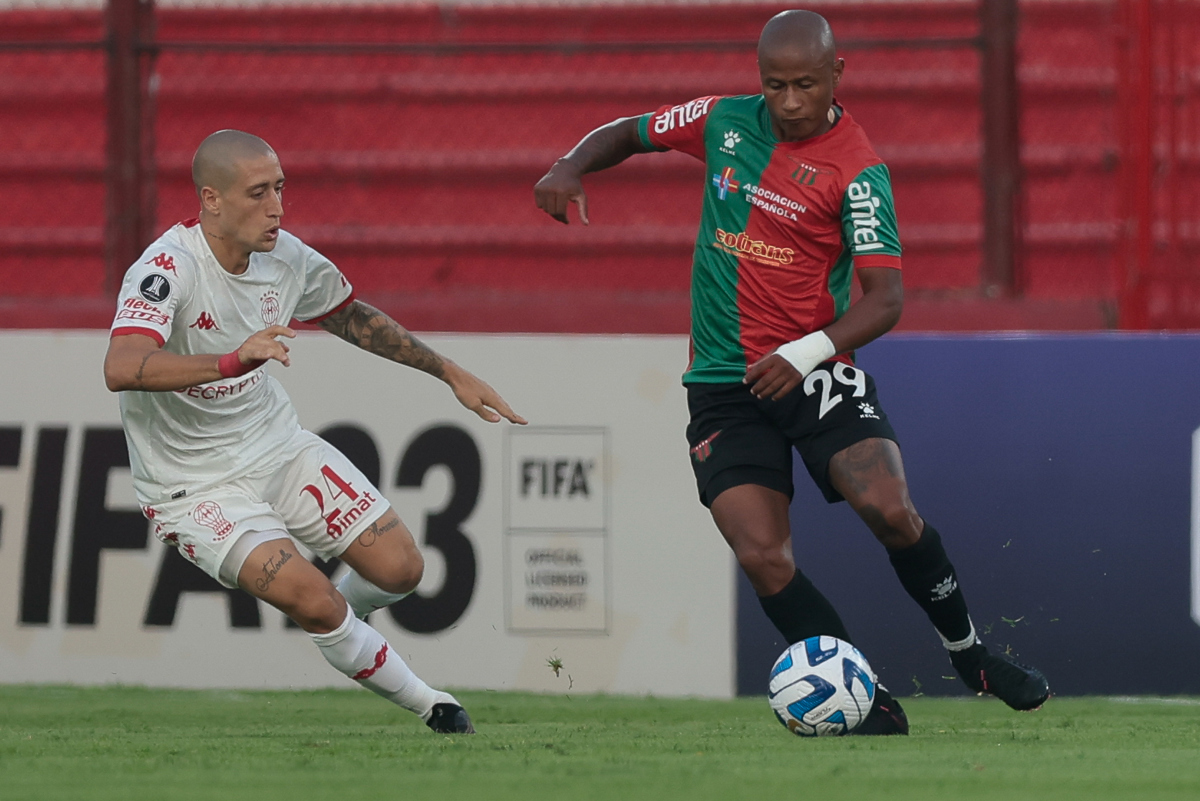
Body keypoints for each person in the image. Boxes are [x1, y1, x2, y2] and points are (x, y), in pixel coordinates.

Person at [534, 9, 1048, 733]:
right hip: (721, 382)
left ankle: (973, 658)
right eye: (776, 85)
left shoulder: (858, 168)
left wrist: (805, 351)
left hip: (812, 367)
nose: (791, 101)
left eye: (806, 84)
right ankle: (863, 699)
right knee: (761, 553)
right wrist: (569, 164)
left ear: (838, 75)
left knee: (889, 508)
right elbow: (630, 129)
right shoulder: (722, 121)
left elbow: (888, 300)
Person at [104, 129, 527, 734]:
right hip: (191, 487)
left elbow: (351, 317)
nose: (276, 207)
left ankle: (334, 624)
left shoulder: (287, 259)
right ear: (211, 200)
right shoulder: (166, 269)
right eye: (257, 193)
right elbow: (121, 368)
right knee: (314, 599)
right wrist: (231, 360)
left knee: (403, 570)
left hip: (276, 446)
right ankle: (433, 705)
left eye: (280, 189)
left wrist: (446, 371)